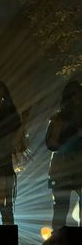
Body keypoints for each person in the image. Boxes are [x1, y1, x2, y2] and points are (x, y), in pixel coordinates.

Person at [0, 80, 30, 225]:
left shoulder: (8, 111)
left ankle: (7, 228)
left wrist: (23, 123)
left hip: (1, 160)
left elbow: (17, 140)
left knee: (5, 203)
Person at [45, 79, 82, 232]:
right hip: (62, 169)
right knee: (60, 209)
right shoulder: (57, 119)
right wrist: (58, 130)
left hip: (77, 167)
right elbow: (51, 145)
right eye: (77, 96)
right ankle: (58, 240)